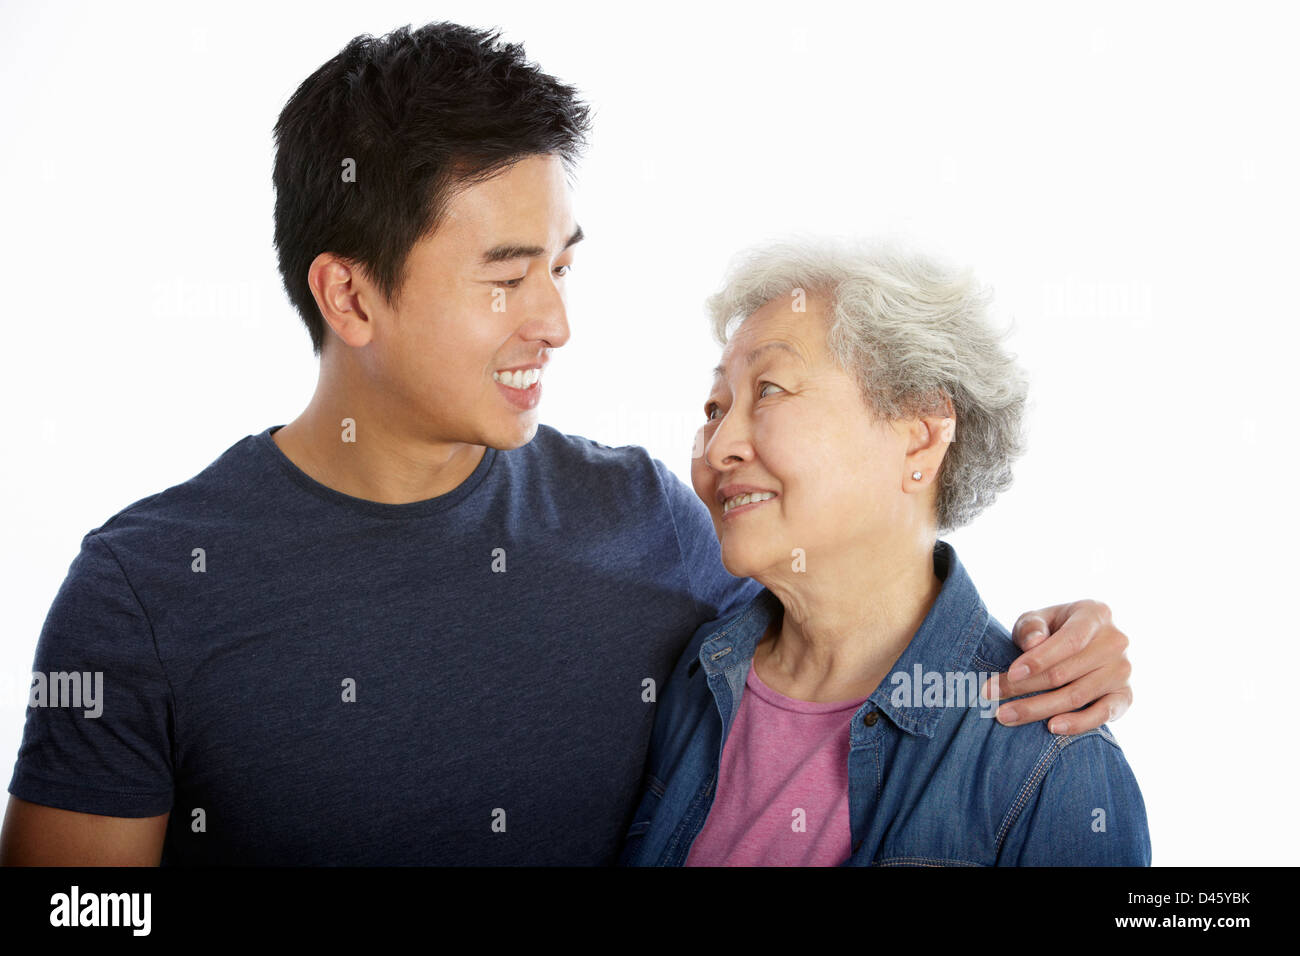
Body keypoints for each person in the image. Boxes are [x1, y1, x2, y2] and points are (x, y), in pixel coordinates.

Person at [2, 23, 1134, 866]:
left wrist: (1056, 647)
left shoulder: (649, 523)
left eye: (562, 266)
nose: (554, 321)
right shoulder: (143, 587)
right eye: (504, 277)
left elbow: (849, 620)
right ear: (350, 296)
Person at [619, 240, 1150, 866]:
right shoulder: (690, 678)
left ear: (921, 439)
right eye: (715, 407)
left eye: (768, 390)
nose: (717, 448)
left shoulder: (1051, 762)